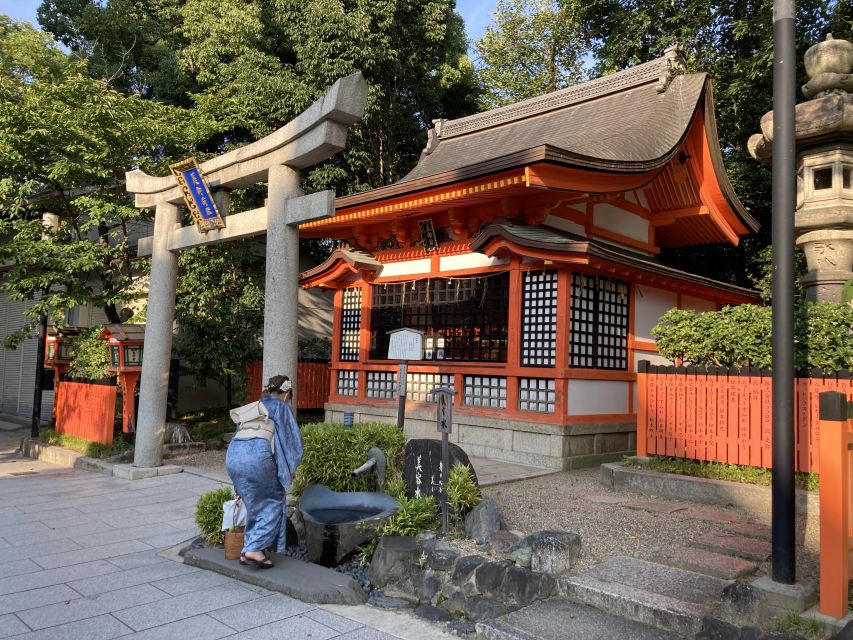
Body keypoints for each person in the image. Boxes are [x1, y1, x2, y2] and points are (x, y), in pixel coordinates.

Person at [225, 374, 303, 569]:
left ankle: (249, 550)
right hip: (258, 457)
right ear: (286, 393)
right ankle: (253, 549)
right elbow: (291, 441)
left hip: (234, 455)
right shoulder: (281, 407)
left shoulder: (255, 406)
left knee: (254, 504)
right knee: (273, 501)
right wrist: (291, 468)